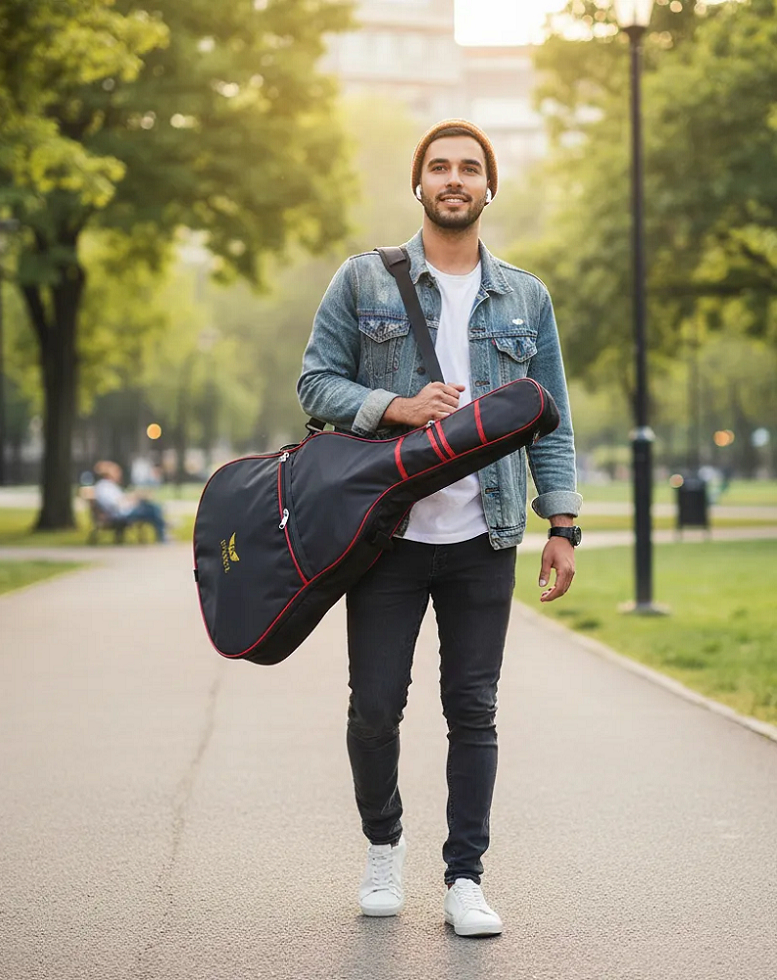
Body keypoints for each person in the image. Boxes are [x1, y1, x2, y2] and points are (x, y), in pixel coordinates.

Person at [297, 119, 582, 936]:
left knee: (474, 709)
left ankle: (465, 878)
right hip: (385, 535)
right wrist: (394, 406)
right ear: (418, 184)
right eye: (440, 167)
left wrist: (562, 523)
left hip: (484, 535)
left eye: (469, 168)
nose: (454, 179)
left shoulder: (525, 297)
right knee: (374, 708)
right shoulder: (363, 280)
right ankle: (383, 843)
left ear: (489, 187)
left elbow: (552, 420)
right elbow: (315, 383)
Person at [91, 461, 168, 542]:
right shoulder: (104, 487)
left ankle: (163, 531)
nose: (119, 474)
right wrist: (131, 499)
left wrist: (133, 498)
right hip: (119, 515)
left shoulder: (110, 486)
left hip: (122, 512)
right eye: (116, 472)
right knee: (152, 510)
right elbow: (115, 504)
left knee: (152, 508)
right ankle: (163, 533)